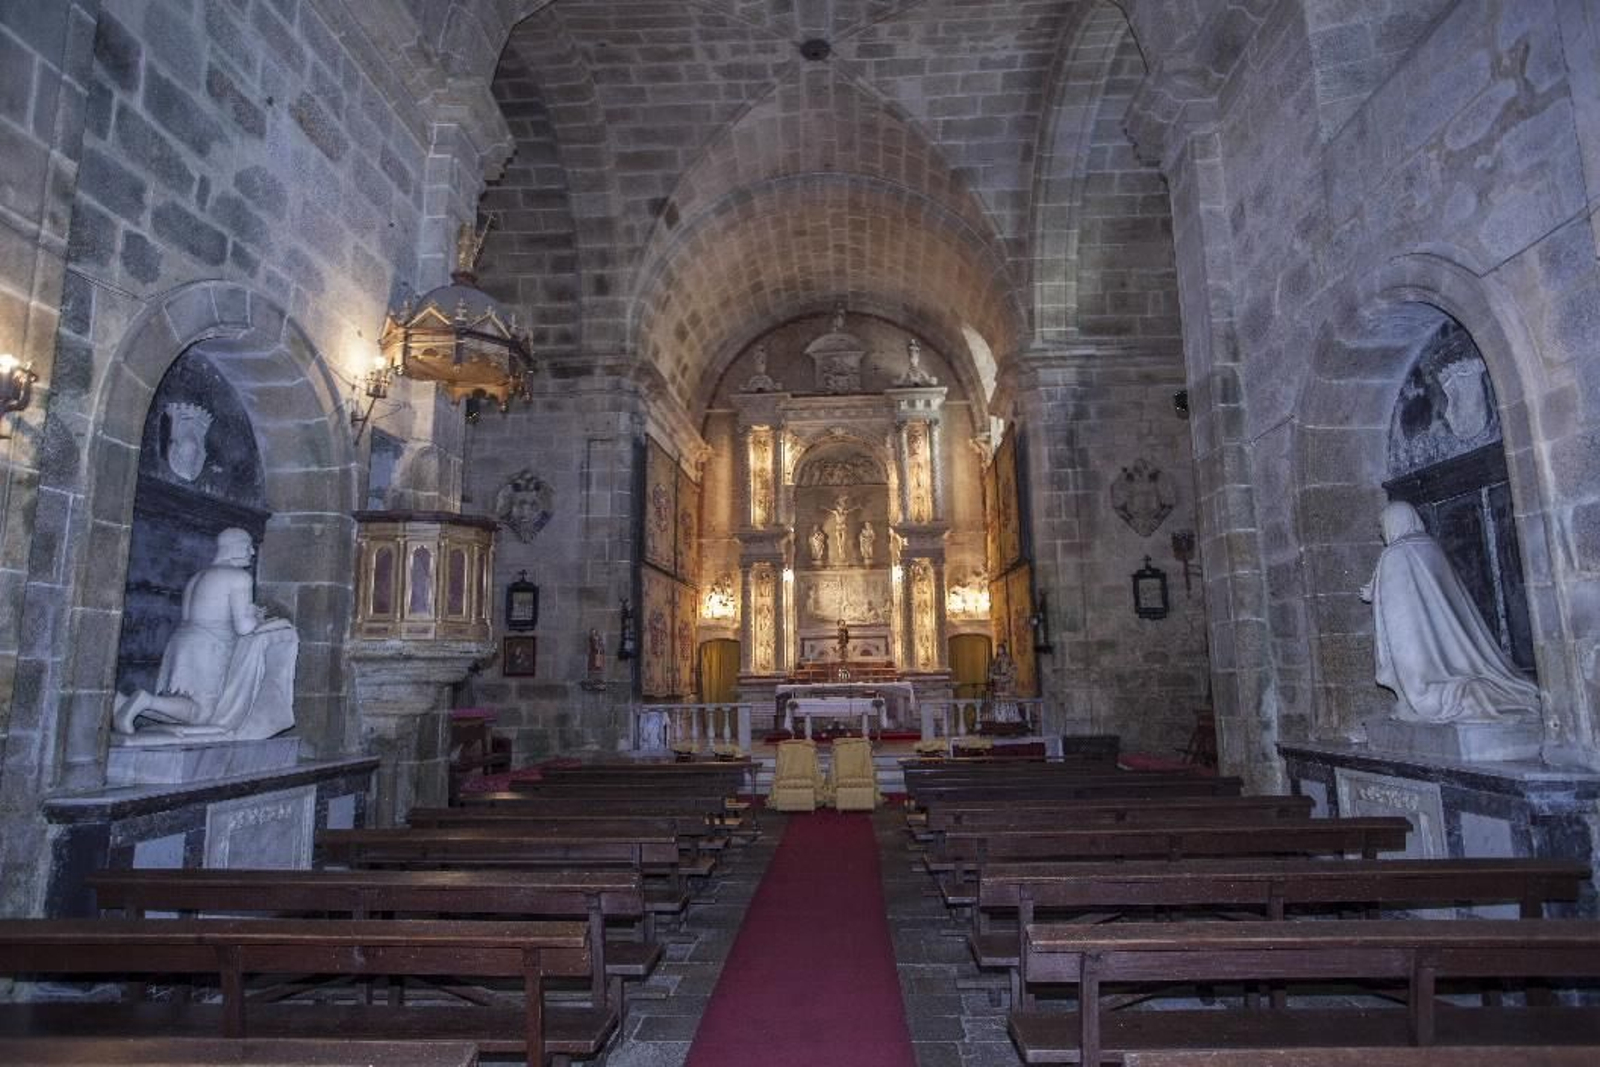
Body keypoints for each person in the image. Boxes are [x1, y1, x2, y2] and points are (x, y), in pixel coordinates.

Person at [1361, 500, 1539, 722]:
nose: (1381, 532)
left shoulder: (1395, 553)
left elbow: (1397, 607)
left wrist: (1375, 590)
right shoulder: (1431, 546)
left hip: (1414, 637)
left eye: (1382, 525)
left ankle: (1422, 700)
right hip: (1449, 644)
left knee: (1421, 686)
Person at [113, 528, 297, 741]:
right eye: (248, 546)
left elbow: (206, 614)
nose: (252, 552)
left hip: (181, 642)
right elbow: (244, 628)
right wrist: (261, 619)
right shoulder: (238, 577)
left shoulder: (198, 576)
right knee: (203, 713)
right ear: (234, 547)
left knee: (183, 706)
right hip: (209, 647)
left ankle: (120, 702)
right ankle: (144, 701)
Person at [986, 642, 1020, 723]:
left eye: (1000, 649)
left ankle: (1008, 719)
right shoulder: (995, 660)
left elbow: (1013, 669)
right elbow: (992, 670)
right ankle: (999, 718)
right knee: (998, 702)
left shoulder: (1008, 659)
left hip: (1006, 684)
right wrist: (992, 675)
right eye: (998, 649)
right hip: (998, 684)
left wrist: (1006, 677)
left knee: (1006, 702)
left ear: (1004, 650)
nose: (999, 650)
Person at [826, 494, 859, 563]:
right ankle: (840, 552)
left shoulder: (845, 513)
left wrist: (857, 507)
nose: (841, 509)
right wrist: (823, 507)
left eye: (842, 508)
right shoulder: (836, 513)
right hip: (838, 527)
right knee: (839, 541)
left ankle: (842, 553)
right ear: (838, 508)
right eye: (840, 508)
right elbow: (829, 510)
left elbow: (852, 510)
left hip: (843, 527)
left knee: (843, 541)